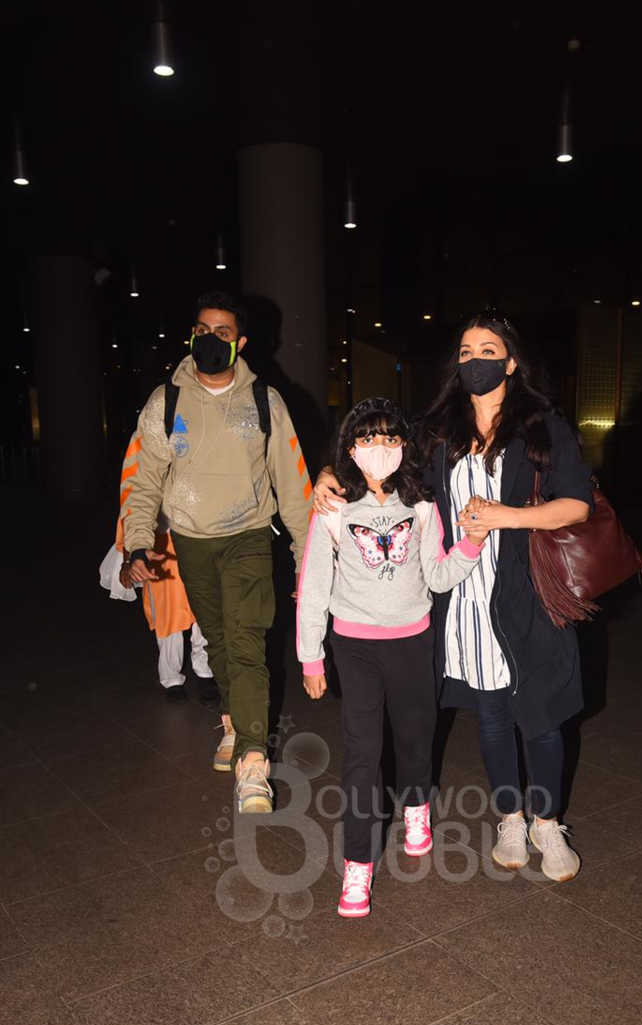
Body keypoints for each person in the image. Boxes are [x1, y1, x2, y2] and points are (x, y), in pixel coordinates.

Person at [315, 312, 592, 882]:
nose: (474, 360)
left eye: (488, 350)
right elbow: (377, 452)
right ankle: (510, 816)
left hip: (527, 591)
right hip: (462, 595)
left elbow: (577, 504)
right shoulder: (437, 427)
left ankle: (548, 822)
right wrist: (327, 473)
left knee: (538, 716)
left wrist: (506, 517)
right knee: (490, 716)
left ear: (511, 363)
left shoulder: (541, 425)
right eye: (465, 352)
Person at [297, 397, 488, 917]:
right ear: (350, 448)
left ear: (404, 445)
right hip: (354, 646)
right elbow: (313, 584)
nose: (378, 448)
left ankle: (418, 804)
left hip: (411, 641)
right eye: (366, 438)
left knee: (415, 736)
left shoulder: (421, 506)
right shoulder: (333, 508)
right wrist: (311, 657)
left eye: (388, 437)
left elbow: (437, 575)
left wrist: (471, 543)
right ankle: (357, 867)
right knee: (361, 756)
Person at [124, 291, 312, 813]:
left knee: (247, 641)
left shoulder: (264, 402)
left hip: (250, 535)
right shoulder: (166, 402)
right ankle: (234, 722)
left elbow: (293, 487)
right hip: (191, 541)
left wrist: (306, 559)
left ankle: (253, 763)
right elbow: (144, 483)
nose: (211, 340)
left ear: (241, 343)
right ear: (191, 336)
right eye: (203, 330)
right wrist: (138, 539)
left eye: (223, 333)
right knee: (221, 641)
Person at [99, 431, 216, 703]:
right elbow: (134, 502)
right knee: (169, 614)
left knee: (205, 609)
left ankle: (206, 672)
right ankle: (171, 678)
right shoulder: (148, 443)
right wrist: (132, 554)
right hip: (161, 547)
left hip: (200, 541)